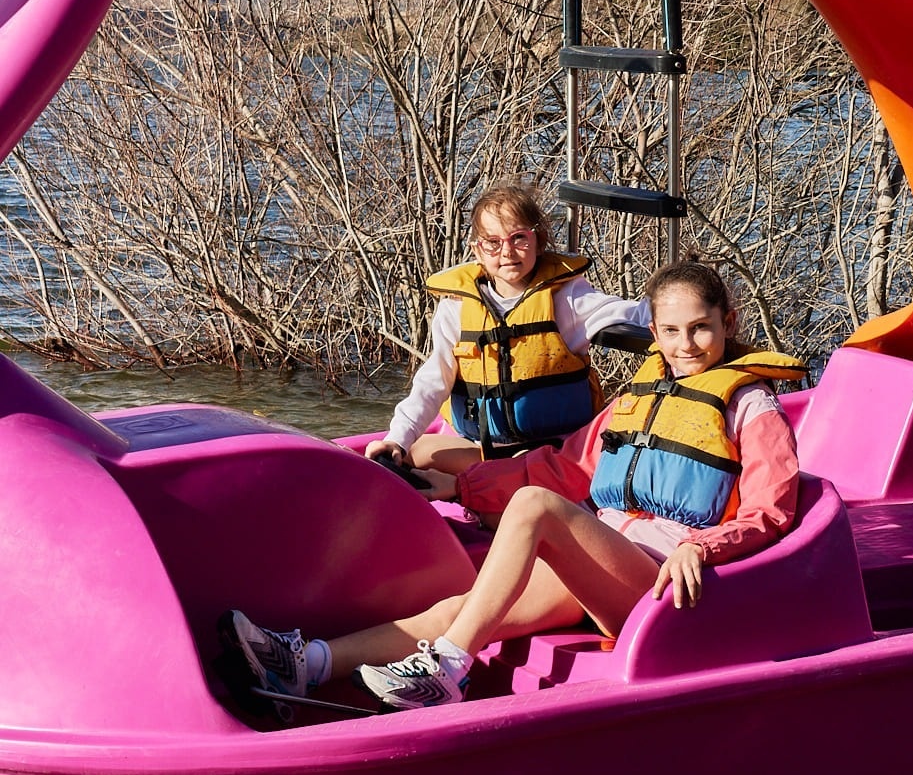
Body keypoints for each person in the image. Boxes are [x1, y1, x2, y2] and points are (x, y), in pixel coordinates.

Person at [223, 261, 805, 713]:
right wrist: (457, 487)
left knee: (533, 508)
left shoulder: (750, 407)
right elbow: (561, 467)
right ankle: (308, 663)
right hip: (609, 560)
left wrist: (699, 547)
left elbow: (771, 510)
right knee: (466, 607)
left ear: (728, 322)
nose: (686, 345)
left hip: (664, 589)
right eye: (672, 331)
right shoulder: (639, 397)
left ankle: (447, 671)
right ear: (653, 332)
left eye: (702, 328)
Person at [366, 181, 651, 477]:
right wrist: (397, 437)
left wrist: (685, 303)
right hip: (481, 446)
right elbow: (433, 381)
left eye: (519, 238)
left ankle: (486, 492)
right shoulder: (457, 306)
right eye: (493, 241)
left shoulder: (568, 298)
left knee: (510, 473)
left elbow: (636, 314)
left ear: (538, 241)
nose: (507, 251)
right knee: (412, 453)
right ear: (478, 250)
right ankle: (476, 487)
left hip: (551, 451)